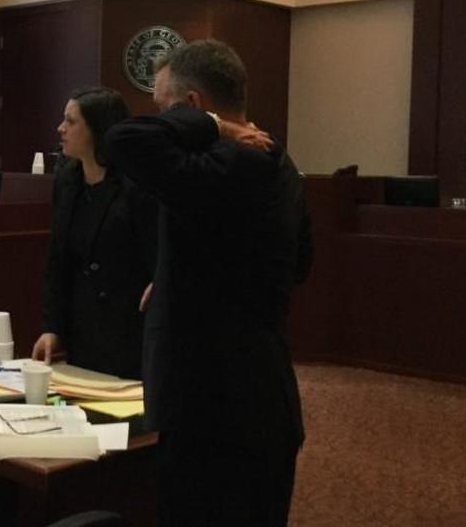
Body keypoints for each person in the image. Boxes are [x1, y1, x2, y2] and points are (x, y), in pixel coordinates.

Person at [105, 40, 312, 527]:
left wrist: (215, 126)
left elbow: (124, 139)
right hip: (264, 396)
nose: (158, 117)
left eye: (165, 107)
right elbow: (299, 262)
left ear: (192, 105)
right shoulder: (281, 164)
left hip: (212, 410)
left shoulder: (232, 162)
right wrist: (184, 274)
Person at [31, 87, 156, 379]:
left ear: (98, 129)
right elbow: (58, 259)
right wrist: (52, 327)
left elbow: (154, 254)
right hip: (83, 325)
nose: (60, 128)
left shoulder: (136, 184)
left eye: (71, 121)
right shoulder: (67, 180)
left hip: (131, 326)